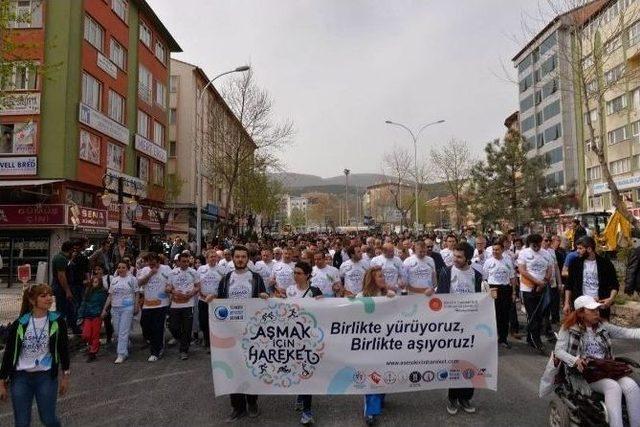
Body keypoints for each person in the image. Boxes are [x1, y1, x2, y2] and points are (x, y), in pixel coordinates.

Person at [553, 295, 640, 427]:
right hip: (584, 373)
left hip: (606, 369)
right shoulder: (569, 328)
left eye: (597, 310)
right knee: (613, 387)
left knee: (631, 386)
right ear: (581, 313)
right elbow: (559, 351)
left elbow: (627, 333)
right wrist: (575, 360)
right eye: (592, 311)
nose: (597, 313)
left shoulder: (603, 326)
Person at [0, 284, 70, 427]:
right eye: (43, 296)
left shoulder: (57, 321)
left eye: (50, 295)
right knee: (22, 423)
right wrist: (1, 382)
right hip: (20, 377)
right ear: (32, 301)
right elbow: (9, 353)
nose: (49, 298)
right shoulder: (20, 323)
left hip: (45, 377)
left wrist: (65, 376)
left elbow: (63, 349)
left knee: (48, 419)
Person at [217, 245, 269, 422]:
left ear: (248, 259)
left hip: (251, 332)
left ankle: (252, 402)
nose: (240, 259)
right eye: (237, 257)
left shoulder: (255, 278)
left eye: (243, 257)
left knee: (251, 367)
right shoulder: (225, 279)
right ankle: (237, 407)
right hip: (231, 332)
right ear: (232, 258)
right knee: (233, 368)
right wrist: (212, 302)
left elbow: (264, 299)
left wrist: (264, 297)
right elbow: (219, 304)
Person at [437, 243, 483, 415]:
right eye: (454, 256)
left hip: (472, 326)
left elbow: (481, 299)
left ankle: (466, 397)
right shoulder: (446, 272)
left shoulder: (477, 275)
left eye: (459, 257)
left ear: (468, 258)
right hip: (452, 327)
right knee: (455, 363)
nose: (455, 259)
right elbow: (441, 299)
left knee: (470, 361)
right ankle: (453, 397)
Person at [285, 261, 323, 425]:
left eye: (299, 273)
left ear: (307, 275)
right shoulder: (290, 290)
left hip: (309, 339)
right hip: (293, 338)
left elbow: (323, 313)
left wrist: (322, 302)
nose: (296, 276)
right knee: (296, 370)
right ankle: (300, 395)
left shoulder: (315, 291)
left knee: (307, 373)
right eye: (294, 272)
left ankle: (307, 411)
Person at [359, 266, 396, 425]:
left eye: (383, 276)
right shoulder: (361, 297)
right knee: (372, 375)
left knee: (384, 372)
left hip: (387, 343)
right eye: (380, 276)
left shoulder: (388, 295)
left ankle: (379, 398)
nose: (383, 278)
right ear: (372, 279)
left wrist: (393, 298)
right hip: (369, 344)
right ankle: (371, 412)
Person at [565, 236, 619, 319]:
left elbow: (614, 285)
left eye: (580, 248)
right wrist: (567, 303)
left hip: (600, 305)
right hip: (581, 305)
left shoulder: (605, 264)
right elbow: (569, 285)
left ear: (589, 249)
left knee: (601, 330)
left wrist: (610, 299)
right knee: (581, 330)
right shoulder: (575, 263)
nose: (577, 251)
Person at [517, 233, 552, 354]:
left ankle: (530, 337)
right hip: (528, 288)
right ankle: (537, 340)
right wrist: (536, 282)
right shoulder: (524, 253)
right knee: (532, 314)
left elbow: (549, 270)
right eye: (534, 246)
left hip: (542, 288)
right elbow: (522, 270)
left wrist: (544, 282)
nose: (536, 248)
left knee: (539, 315)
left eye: (538, 245)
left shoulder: (546, 253)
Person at [101, 260, 139, 364]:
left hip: (127, 308)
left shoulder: (132, 279)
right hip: (115, 308)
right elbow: (110, 295)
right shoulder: (114, 280)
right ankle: (125, 343)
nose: (121, 269)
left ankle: (121, 354)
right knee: (117, 331)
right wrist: (105, 309)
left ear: (127, 269)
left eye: (123, 267)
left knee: (123, 331)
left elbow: (136, 293)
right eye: (119, 267)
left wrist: (136, 306)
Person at [137, 252, 172, 362]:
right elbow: (138, 283)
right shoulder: (145, 270)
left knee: (158, 327)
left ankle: (156, 351)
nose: (151, 265)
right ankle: (152, 342)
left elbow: (171, 282)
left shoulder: (166, 269)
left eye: (153, 263)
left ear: (158, 261)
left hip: (162, 303)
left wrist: (168, 288)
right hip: (148, 304)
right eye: (149, 263)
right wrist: (150, 274)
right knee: (145, 324)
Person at [166, 252, 201, 360]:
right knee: (173, 326)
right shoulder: (172, 273)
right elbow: (167, 287)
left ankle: (184, 350)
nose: (186, 263)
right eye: (183, 261)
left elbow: (198, 286)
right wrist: (174, 292)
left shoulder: (193, 272)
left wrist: (191, 293)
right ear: (178, 262)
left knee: (187, 328)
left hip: (188, 304)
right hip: (175, 304)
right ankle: (184, 340)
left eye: (187, 261)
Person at [483, 237, 516, 348]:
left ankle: (503, 338)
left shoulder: (507, 261)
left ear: (502, 250)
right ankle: (492, 338)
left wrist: (514, 292)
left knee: (504, 316)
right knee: (494, 315)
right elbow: (485, 278)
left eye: (497, 250)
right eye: (493, 250)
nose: (494, 252)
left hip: (505, 289)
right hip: (493, 289)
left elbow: (512, 277)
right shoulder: (488, 262)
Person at [197, 250, 223, 352]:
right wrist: (201, 293)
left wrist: (216, 295)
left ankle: (214, 343)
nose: (213, 258)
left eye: (214, 257)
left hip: (216, 301)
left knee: (216, 323)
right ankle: (207, 341)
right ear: (207, 258)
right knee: (204, 322)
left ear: (217, 258)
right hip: (203, 300)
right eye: (210, 257)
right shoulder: (201, 269)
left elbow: (223, 286)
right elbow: (197, 282)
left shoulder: (222, 269)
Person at [77, 276, 107, 362]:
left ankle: (93, 352)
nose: (95, 284)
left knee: (95, 335)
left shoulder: (102, 293)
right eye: (93, 282)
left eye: (96, 282)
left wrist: (103, 312)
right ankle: (92, 347)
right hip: (87, 315)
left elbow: (104, 304)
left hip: (97, 316)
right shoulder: (88, 292)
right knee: (86, 334)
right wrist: (80, 315)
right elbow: (83, 304)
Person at [51, 241, 75, 333]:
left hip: (62, 288)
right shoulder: (60, 259)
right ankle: (60, 329)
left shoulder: (63, 258)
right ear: (70, 250)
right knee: (62, 309)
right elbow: (61, 276)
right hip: (62, 289)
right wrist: (67, 290)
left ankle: (70, 328)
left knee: (69, 309)